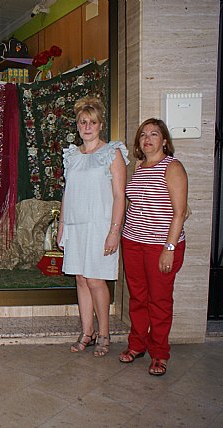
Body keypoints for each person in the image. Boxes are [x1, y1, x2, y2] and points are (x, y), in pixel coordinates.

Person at [57, 96, 128, 357]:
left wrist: (114, 231)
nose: (87, 127)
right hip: (75, 226)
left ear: (100, 125)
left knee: (96, 280)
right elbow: (68, 193)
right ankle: (87, 332)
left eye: (93, 122)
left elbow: (120, 195)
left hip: (100, 226)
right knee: (81, 278)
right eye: (83, 122)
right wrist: (62, 226)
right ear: (77, 125)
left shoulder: (112, 153)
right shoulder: (72, 156)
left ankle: (104, 333)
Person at [119, 118, 188, 376]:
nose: (147, 139)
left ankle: (159, 353)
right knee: (138, 297)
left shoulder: (172, 167)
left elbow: (179, 213)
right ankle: (137, 345)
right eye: (143, 135)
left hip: (160, 245)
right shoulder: (139, 166)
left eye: (154, 134)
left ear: (165, 141)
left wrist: (169, 248)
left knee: (159, 301)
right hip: (133, 241)